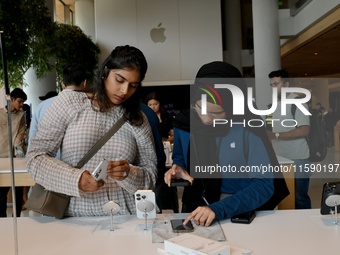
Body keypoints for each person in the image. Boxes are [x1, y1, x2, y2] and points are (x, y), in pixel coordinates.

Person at [26, 45, 157, 217]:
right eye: (119, 80)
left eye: (133, 85)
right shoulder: (70, 103)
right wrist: (75, 179)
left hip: (126, 220)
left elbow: (151, 177)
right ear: (105, 71)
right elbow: (35, 158)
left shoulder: (137, 119)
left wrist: (128, 174)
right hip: (76, 220)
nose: (124, 91)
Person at [164, 61, 287, 227]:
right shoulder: (184, 123)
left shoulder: (248, 128)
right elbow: (180, 157)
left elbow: (263, 184)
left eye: (217, 113)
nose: (206, 119)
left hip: (238, 209)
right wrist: (178, 168)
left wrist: (219, 208)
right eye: (200, 108)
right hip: (194, 208)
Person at [267, 69, 311, 209]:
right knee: (284, 199)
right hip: (280, 159)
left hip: (297, 158)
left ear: (286, 85)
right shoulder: (272, 105)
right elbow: (269, 130)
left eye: (276, 84)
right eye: (271, 85)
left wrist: (277, 135)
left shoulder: (298, 102)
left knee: (299, 198)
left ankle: (306, 229)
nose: (273, 88)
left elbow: (305, 129)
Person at [0, 88, 27, 217]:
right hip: (1, 157)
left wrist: (18, 149)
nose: (21, 105)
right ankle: (2, 218)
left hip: (16, 158)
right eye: (20, 101)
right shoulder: (0, 113)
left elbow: (21, 133)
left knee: (18, 189)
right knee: (2, 191)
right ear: (12, 100)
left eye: (22, 102)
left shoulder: (21, 115)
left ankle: (17, 217)